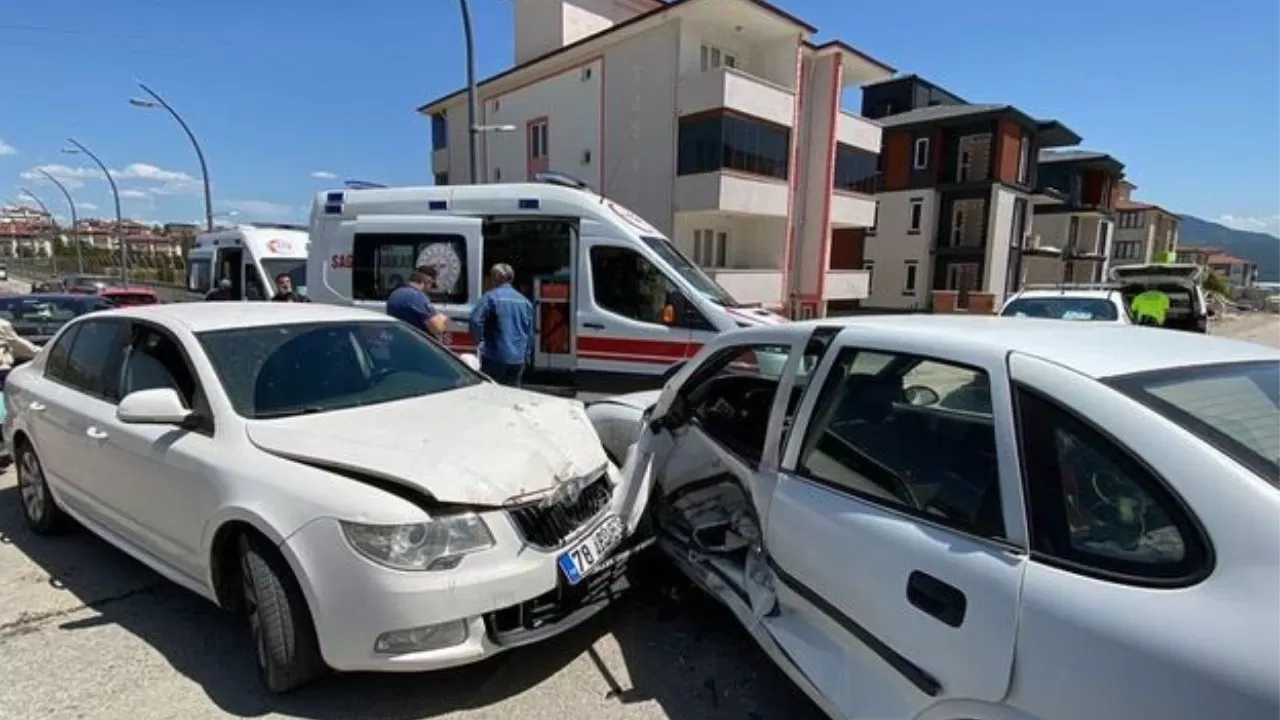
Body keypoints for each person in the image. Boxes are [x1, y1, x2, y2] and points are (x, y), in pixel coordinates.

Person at [469, 263, 533, 387]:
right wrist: (526, 354)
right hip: (518, 358)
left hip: (495, 356)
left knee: (492, 394)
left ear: (494, 278)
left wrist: (481, 341)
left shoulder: (490, 297)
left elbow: (475, 320)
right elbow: (529, 332)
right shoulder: (525, 301)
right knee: (512, 394)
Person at [386, 269, 449, 339]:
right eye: (432, 285)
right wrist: (441, 319)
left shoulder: (395, 294)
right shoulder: (417, 296)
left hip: (398, 341)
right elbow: (438, 329)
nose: (430, 290)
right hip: (415, 344)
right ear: (427, 282)